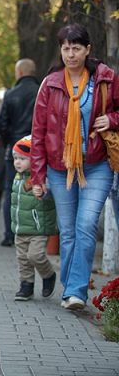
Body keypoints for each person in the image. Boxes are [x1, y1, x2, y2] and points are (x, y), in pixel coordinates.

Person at [31, 23, 119, 310]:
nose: (71, 54)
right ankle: (70, 288)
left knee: (86, 225)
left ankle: (76, 291)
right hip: (60, 168)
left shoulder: (106, 78)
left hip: (97, 165)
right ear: (61, 50)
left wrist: (113, 120)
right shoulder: (51, 83)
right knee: (67, 231)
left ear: (88, 49)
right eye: (66, 48)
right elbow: (39, 131)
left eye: (76, 48)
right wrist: (37, 176)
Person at [0, 59, 40, 247]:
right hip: (39, 150)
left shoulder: (10, 94)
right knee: (38, 191)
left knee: (12, 191)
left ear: (20, 73)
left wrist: (9, 144)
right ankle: (36, 235)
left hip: (15, 151)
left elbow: (3, 125)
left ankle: (10, 234)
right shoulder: (42, 92)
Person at [10, 136, 58, 301]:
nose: (18, 162)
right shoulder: (18, 178)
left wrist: (43, 192)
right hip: (21, 227)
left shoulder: (41, 178)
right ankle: (26, 286)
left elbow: (49, 197)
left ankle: (48, 274)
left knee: (35, 255)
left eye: (23, 159)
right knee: (22, 258)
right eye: (15, 158)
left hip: (38, 227)